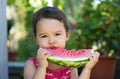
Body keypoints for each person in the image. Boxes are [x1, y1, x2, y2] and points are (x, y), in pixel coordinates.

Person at [24, 6, 100, 79]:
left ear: (67, 35)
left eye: (57, 34)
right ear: (36, 39)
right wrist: (41, 67)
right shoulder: (31, 65)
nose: (51, 41)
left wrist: (87, 69)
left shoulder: (71, 65)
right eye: (44, 36)